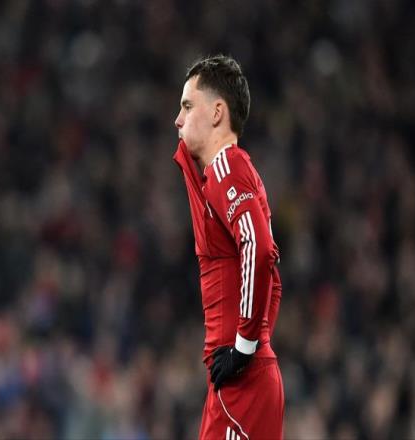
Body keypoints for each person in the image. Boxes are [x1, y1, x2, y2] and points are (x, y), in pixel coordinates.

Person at [173, 55, 284, 440]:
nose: (178, 119)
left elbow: (259, 248)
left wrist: (245, 347)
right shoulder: (232, 173)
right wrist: (253, 344)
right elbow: (272, 278)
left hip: (241, 383)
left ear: (217, 112)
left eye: (188, 106)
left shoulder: (227, 169)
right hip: (238, 379)